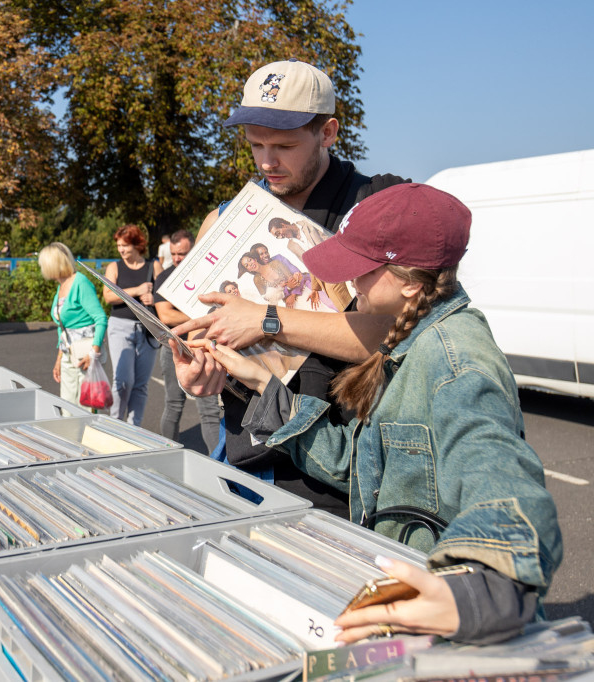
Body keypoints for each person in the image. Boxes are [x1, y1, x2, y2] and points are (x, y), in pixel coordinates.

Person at [194, 184, 562, 646]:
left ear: (409, 281)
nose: (350, 285)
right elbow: (362, 465)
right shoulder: (411, 336)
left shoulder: (457, 364)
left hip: (447, 633)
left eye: (361, 271)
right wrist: (262, 385)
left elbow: (502, 480)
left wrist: (480, 587)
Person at [172, 59, 407, 516]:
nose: (266, 161)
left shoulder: (377, 206)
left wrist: (266, 320)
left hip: (344, 471)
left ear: (329, 132)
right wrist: (194, 370)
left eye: (283, 144)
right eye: (256, 144)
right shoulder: (223, 220)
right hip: (246, 461)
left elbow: (393, 335)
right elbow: (194, 330)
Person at [152, 229, 220, 451]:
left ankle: (218, 467)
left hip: (204, 347)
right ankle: (167, 454)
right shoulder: (165, 277)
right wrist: (201, 316)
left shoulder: (209, 275)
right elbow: (166, 316)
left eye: (182, 253)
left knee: (209, 411)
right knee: (174, 405)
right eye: (174, 254)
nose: (177, 259)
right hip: (174, 348)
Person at [102, 224, 162, 425]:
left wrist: (153, 299)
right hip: (120, 326)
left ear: (137, 245)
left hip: (147, 330)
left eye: (125, 245)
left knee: (141, 384)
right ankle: (115, 424)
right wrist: (137, 290)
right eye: (119, 245)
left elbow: (164, 296)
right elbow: (108, 296)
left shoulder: (153, 266)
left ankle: (135, 428)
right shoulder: (114, 267)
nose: (121, 249)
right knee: (122, 381)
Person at [40, 242, 107, 406]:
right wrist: (58, 360)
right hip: (68, 354)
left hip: (85, 355)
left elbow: (100, 318)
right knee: (67, 405)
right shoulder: (61, 286)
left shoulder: (80, 282)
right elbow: (62, 328)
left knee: (84, 405)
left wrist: (94, 352)